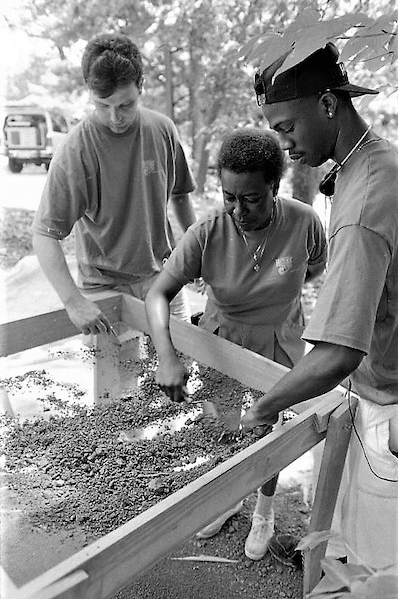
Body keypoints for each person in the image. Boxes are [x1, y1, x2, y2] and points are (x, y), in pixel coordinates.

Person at [241, 42, 398, 569]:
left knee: (372, 564)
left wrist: (262, 409)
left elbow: (338, 353)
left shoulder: (365, 201)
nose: (282, 144)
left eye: (286, 127)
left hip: (386, 406)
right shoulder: (373, 162)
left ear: (329, 104)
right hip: (378, 386)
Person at [145, 127, 327, 560]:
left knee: (267, 432)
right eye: (229, 197)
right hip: (222, 340)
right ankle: (227, 497)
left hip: (278, 342)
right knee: (225, 427)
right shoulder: (208, 230)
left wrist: (282, 297)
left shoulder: (304, 221)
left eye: (250, 198)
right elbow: (157, 294)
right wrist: (167, 356)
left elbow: (315, 270)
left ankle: (262, 509)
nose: (237, 209)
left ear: (274, 187)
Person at [32, 32, 196, 335]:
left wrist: (195, 250)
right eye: (103, 105)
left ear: (141, 87)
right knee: (117, 382)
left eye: (125, 105)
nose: (115, 117)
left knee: (180, 371)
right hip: (104, 285)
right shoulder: (75, 150)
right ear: (90, 93)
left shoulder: (162, 130)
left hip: (165, 275)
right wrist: (73, 302)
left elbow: (181, 196)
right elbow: (44, 234)